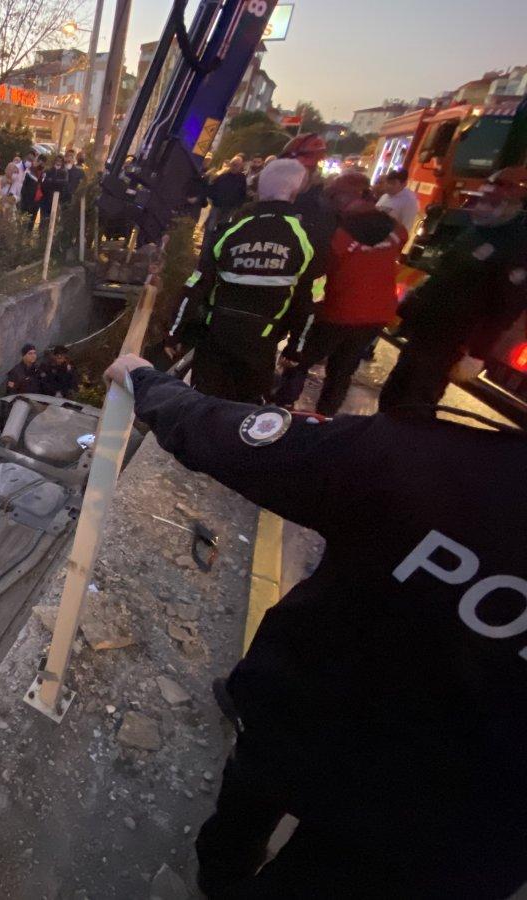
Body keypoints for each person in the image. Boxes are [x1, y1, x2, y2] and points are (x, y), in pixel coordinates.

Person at [103, 351, 527, 900]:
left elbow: (238, 440)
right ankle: (221, 871)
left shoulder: (440, 463)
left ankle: (220, 872)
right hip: (450, 830)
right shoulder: (440, 461)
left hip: (307, 717)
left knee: (248, 806)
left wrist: (145, 379)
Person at [164, 158, 328, 404]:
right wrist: (296, 347)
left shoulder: (231, 232)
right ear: (295, 192)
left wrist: (174, 333)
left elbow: (196, 285)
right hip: (261, 343)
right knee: (244, 412)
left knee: (201, 407)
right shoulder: (305, 241)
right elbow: (310, 301)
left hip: (217, 337)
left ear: (259, 190)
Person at [379, 167, 527, 415]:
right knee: (396, 392)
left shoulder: (517, 244)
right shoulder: (478, 230)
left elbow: (505, 307)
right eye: (483, 199)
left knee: (415, 403)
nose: (482, 206)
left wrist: (477, 353)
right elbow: (445, 276)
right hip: (428, 329)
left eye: (492, 201)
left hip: (452, 338)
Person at [271, 198, 408, 416]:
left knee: (301, 359)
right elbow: (401, 235)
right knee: (343, 369)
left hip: (338, 311)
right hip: (376, 314)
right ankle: (326, 416)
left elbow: (322, 272)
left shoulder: (338, 238)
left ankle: (282, 406)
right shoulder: (395, 233)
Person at [205, 156, 249, 235]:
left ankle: (214, 244)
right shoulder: (222, 175)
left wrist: (238, 206)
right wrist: (213, 199)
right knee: (210, 227)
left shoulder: (241, 178)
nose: (234, 167)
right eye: (233, 164)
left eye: (237, 165)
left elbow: (242, 193)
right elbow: (212, 187)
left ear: (240, 166)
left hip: (230, 208)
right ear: (230, 164)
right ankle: (206, 245)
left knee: (221, 228)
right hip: (217, 205)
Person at [376, 167, 420, 235]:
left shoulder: (409, 201)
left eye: (393, 183)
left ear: (403, 184)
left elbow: (406, 227)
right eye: (387, 182)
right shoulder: (384, 196)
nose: (388, 186)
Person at [40, 157, 68, 224]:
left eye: (60, 161)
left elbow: (64, 183)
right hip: (46, 198)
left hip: (57, 198)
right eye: (57, 160)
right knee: (44, 219)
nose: (58, 162)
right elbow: (44, 182)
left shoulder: (64, 172)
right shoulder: (48, 170)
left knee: (53, 220)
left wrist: (53, 181)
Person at [20, 157, 42, 229]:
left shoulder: (41, 173)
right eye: (36, 161)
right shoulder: (28, 173)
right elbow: (23, 188)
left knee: (30, 224)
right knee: (23, 222)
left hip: (35, 203)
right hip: (26, 201)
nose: (37, 163)